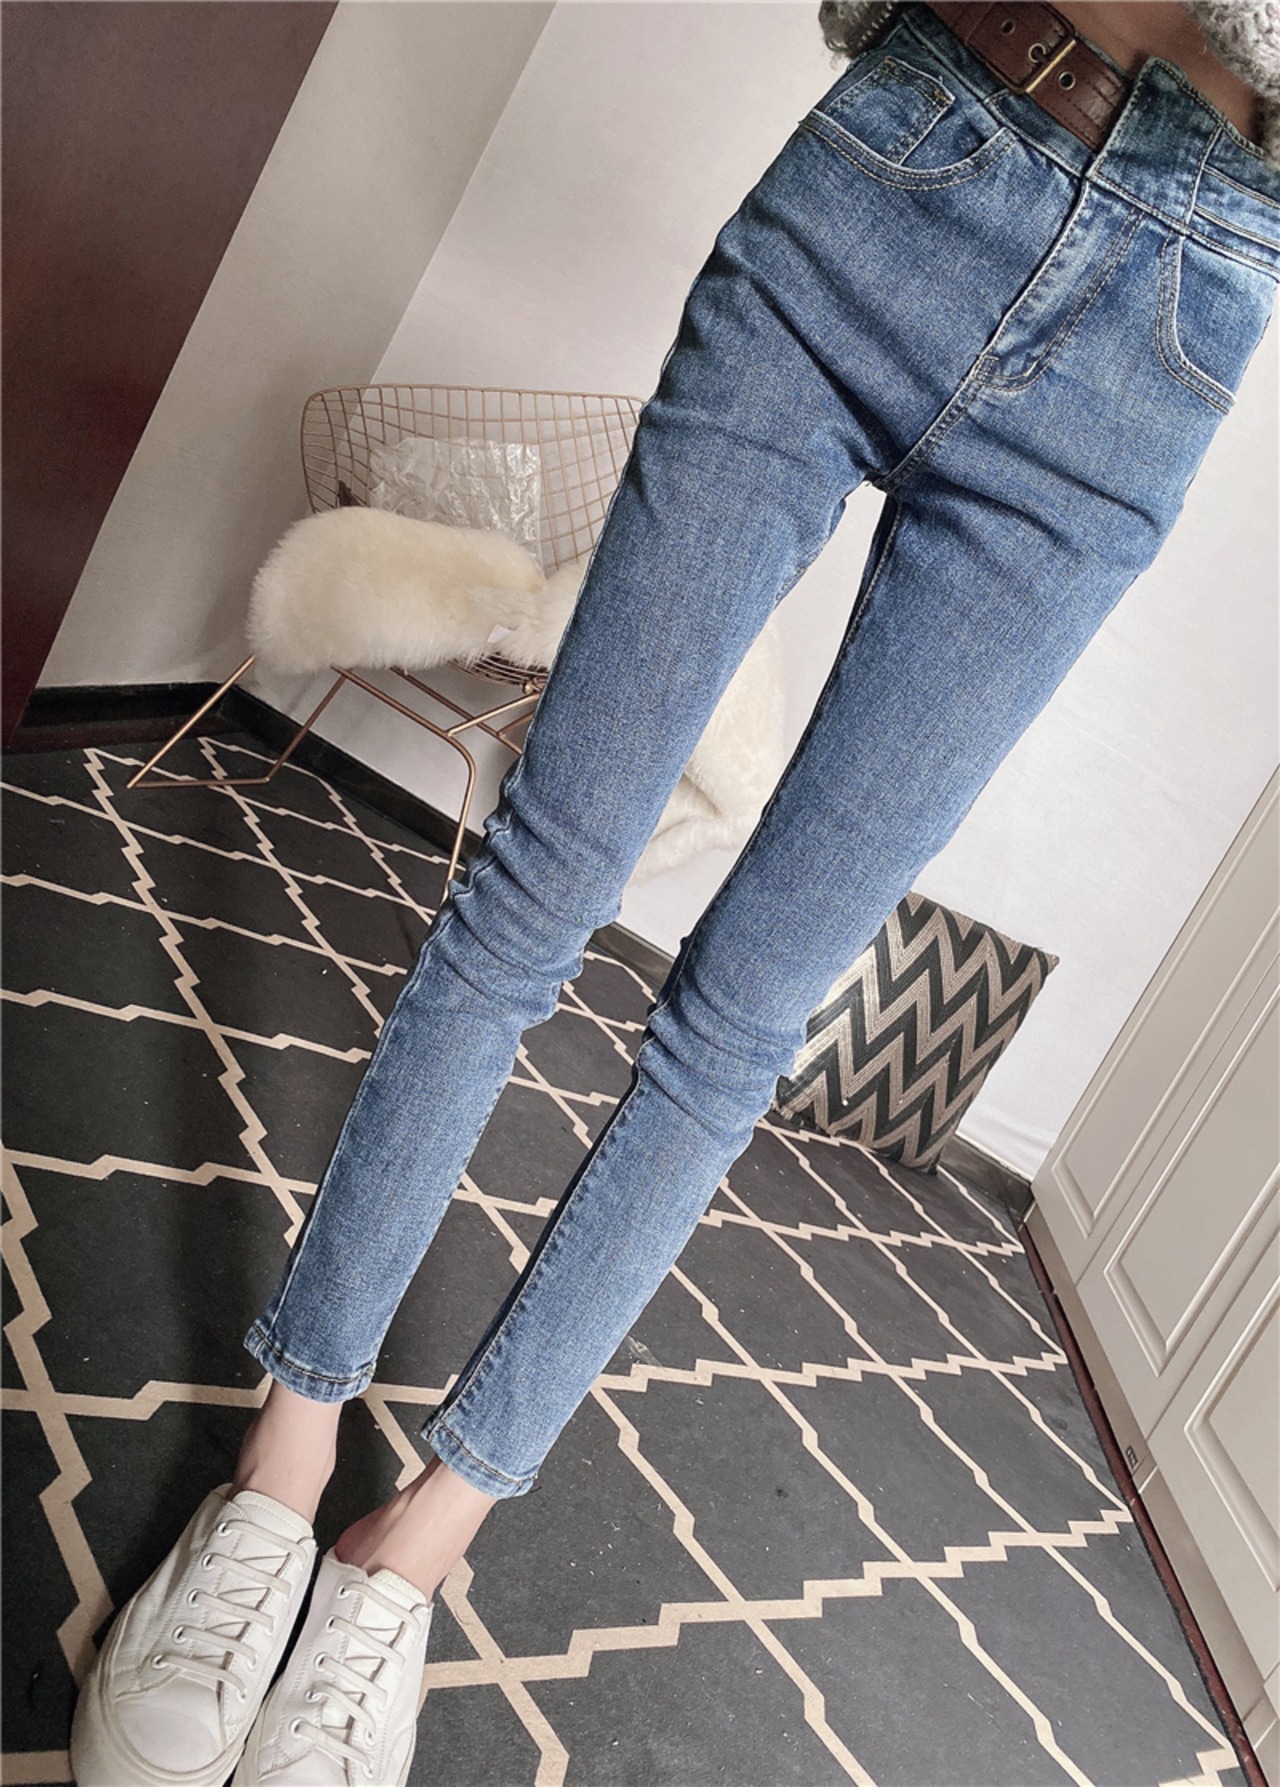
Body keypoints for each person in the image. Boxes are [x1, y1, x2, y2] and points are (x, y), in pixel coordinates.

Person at [71, 3, 1279, 1782]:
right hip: (925, 137)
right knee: (539, 883)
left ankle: (412, 1548)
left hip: (1175, 309)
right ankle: (280, 1468)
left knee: (741, 1023)